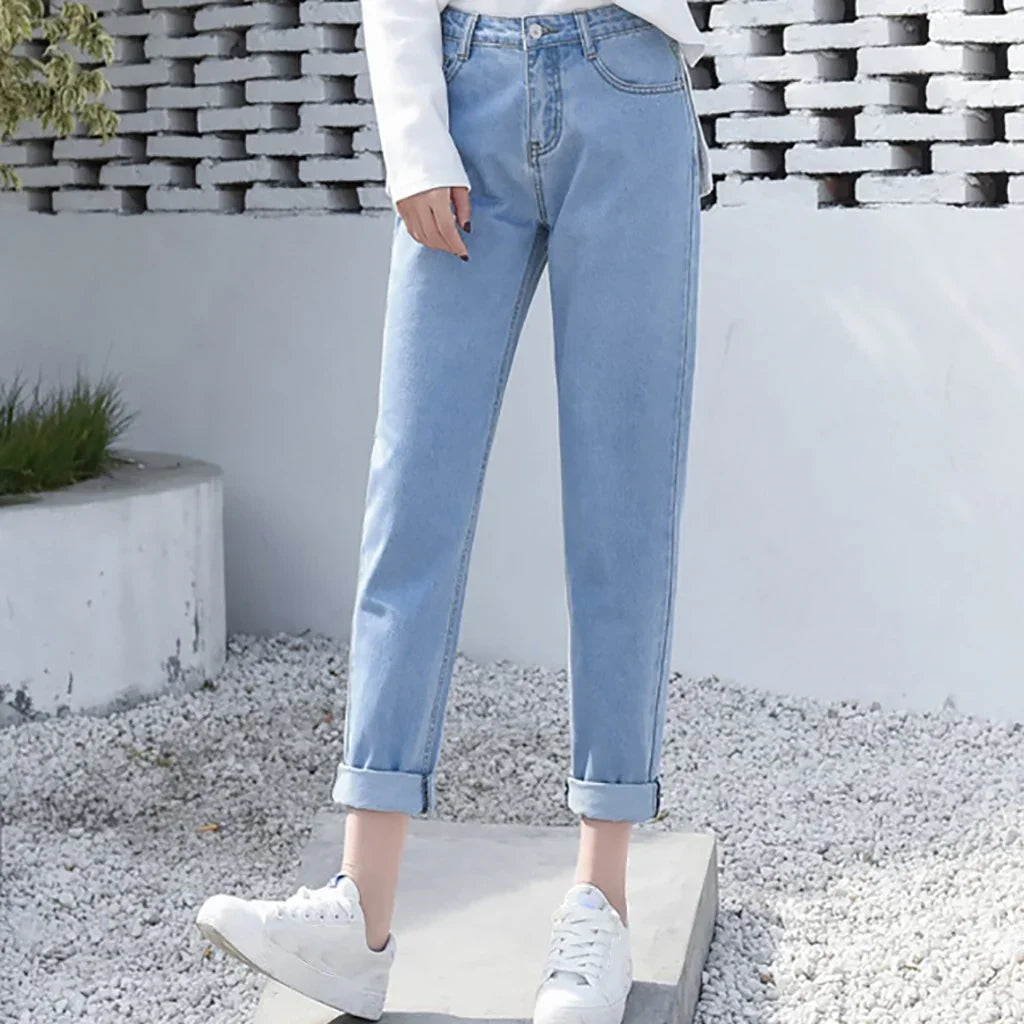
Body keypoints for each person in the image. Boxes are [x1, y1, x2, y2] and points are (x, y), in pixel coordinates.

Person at [196, 1, 713, 1022]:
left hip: (628, 76)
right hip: (463, 82)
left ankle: (599, 908)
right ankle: (359, 913)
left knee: (620, 510)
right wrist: (415, 138)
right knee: (411, 499)